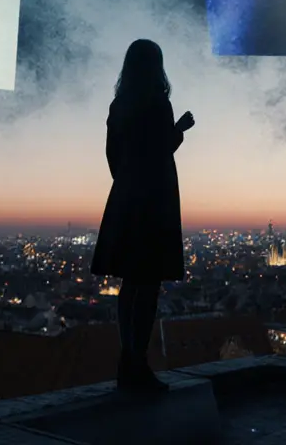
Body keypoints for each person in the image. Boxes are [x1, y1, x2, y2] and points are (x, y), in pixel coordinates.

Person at [91, 39, 195, 393]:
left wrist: (126, 182)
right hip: (154, 202)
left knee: (130, 284)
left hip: (126, 198)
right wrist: (179, 128)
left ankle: (128, 359)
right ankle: (137, 363)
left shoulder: (118, 105)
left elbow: (113, 155)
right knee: (148, 283)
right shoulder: (157, 103)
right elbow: (160, 147)